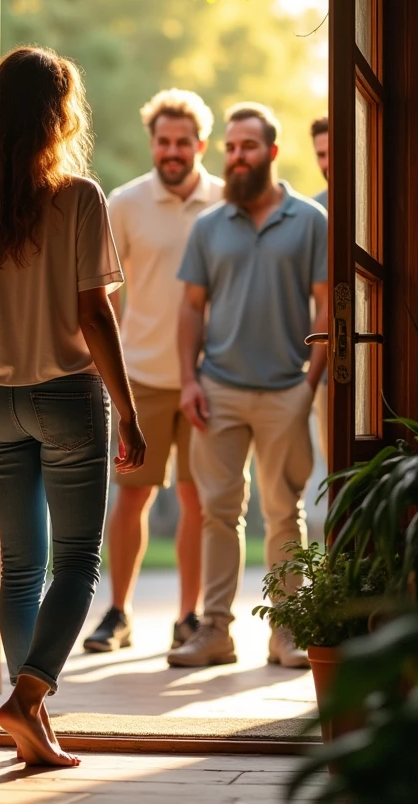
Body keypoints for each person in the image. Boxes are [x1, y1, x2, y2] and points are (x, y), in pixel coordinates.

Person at [0, 47, 146, 767]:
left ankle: (32, 722)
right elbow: (96, 316)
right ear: (58, 116)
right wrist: (129, 407)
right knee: (78, 561)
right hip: (66, 398)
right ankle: (27, 700)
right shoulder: (79, 197)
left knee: (21, 568)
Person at [168, 102, 328, 669]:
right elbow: (190, 309)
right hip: (219, 390)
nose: (237, 158)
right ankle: (215, 631)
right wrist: (189, 380)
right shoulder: (209, 226)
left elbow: (327, 307)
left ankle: (287, 631)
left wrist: (309, 384)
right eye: (231, 148)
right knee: (218, 510)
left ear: (272, 153)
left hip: (287, 388)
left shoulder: (311, 220)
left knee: (285, 513)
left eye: (248, 147)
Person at [83, 89, 224, 654]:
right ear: (152, 142)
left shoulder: (225, 202)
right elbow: (102, 296)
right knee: (133, 498)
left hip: (210, 377)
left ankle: (189, 618)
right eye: (163, 141)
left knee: (196, 500)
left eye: (182, 142)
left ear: (200, 145)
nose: (172, 151)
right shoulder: (125, 201)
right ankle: (118, 613)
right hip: (140, 375)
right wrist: (105, 374)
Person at [310, 116, 329, 463]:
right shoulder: (313, 212)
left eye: (332, 151)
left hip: (386, 357)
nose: (327, 163)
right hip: (329, 370)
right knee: (337, 468)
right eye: (321, 154)